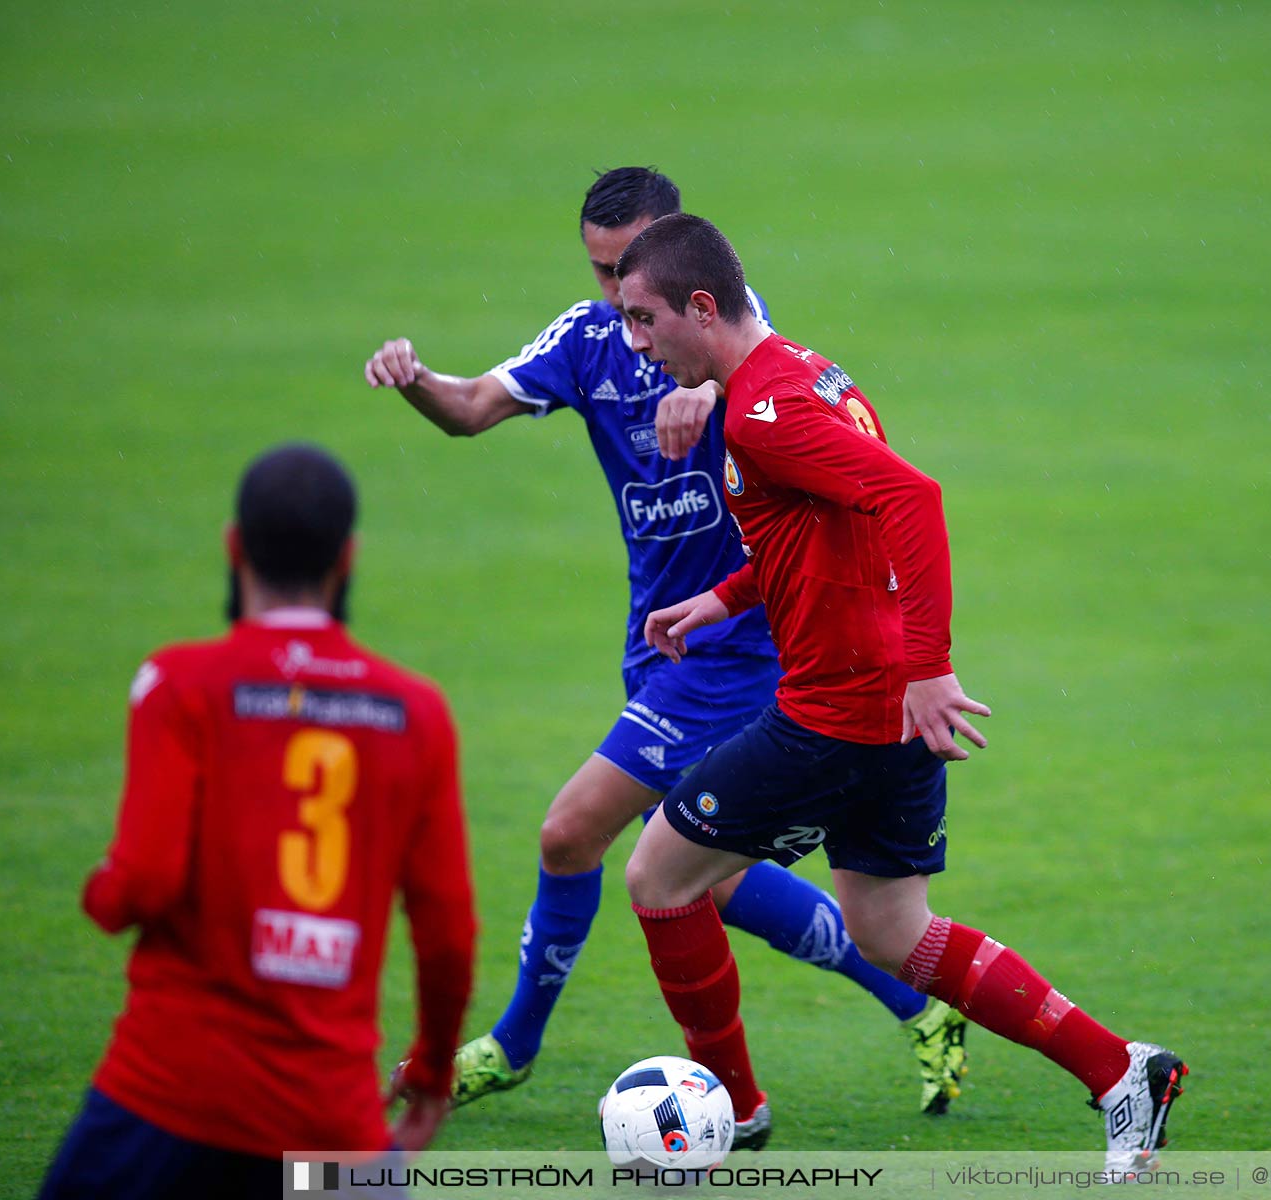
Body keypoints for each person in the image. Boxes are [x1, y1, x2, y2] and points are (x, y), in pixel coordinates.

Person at [362, 167, 968, 1116]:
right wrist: (415, 382)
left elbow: (797, 418)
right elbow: (474, 408)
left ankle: (540, 1051)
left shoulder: (723, 337)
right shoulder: (593, 336)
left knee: (578, 834)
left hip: (748, 652)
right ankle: (915, 1002)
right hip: (672, 639)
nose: (616, 299)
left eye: (630, 278)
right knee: (701, 877)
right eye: (602, 273)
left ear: (679, 264)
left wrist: (710, 400)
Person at [614, 214, 1187, 1170]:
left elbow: (910, 500)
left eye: (642, 319)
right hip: (883, 712)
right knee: (891, 928)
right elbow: (824, 534)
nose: (637, 342)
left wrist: (931, 665)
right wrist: (720, 598)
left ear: (700, 307)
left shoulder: (766, 410)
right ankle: (1123, 1070)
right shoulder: (804, 370)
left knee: (658, 878)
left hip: (841, 711)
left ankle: (737, 1114)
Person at [39, 444, 475, 1200]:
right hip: (328, 1123)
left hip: (166, 1096)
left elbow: (141, 881)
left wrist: (100, 895)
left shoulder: (180, 685)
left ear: (234, 546)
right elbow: (447, 931)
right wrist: (434, 1069)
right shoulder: (416, 713)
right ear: (349, 558)